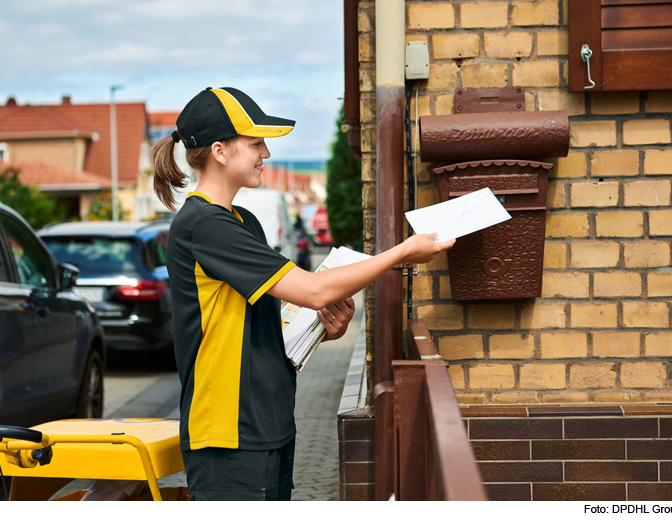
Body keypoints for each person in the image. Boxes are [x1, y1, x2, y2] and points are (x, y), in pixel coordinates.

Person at [150, 87, 455, 501]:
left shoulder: (242, 221)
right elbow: (313, 290)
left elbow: (263, 323)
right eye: (256, 143)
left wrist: (321, 330)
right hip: (228, 434)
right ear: (219, 151)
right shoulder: (203, 225)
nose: (266, 154)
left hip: (267, 422)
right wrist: (403, 252)